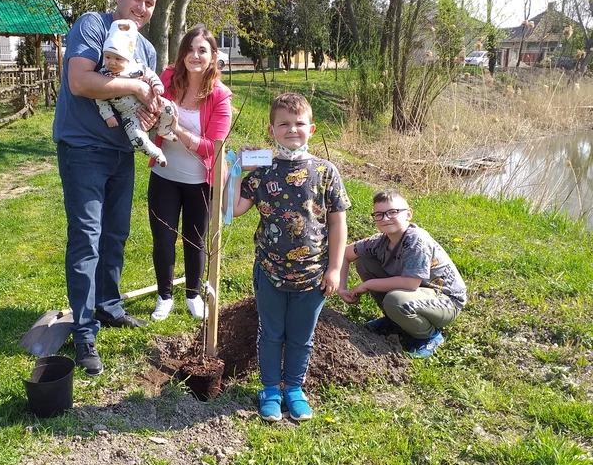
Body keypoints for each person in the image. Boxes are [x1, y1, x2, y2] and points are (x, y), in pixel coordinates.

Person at [53, 0, 160, 376]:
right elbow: (80, 82)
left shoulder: (146, 49)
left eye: (149, 3)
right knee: (87, 238)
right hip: (82, 147)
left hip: (121, 152)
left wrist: (148, 115)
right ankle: (84, 332)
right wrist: (134, 90)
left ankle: (109, 307)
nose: (142, 7)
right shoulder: (93, 26)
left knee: (116, 234)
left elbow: (141, 103)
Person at [227, 93, 350, 422]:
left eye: (298, 124)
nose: (292, 130)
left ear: (311, 128)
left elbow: (338, 222)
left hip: (313, 275)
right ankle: (270, 389)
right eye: (284, 124)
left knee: (301, 337)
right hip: (270, 271)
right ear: (271, 130)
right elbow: (234, 210)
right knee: (271, 333)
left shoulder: (326, 171)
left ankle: (294, 388)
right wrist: (236, 169)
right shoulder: (263, 169)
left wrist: (335, 269)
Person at [148, 26, 232, 321]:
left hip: (200, 181)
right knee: (163, 237)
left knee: (195, 240)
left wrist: (178, 130)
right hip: (165, 176)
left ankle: (193, 294)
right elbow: (150, 107)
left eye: (202, 51)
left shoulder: (220, 96)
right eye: (190, 49)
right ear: (182, 53)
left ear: (212, 57)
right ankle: (164, 296)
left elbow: (212, 148)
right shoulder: (169, 79)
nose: (195, 56)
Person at [338, 189, 466, 359]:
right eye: (379, 214)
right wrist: (341, 288)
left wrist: (367, 285)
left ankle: (430, 335)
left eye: (392, 212)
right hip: (416, 294)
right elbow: (345, 254)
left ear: (408, 214)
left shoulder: (416, 240)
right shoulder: (379, 241)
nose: (385, 218)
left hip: (446, 301)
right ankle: (395, 319)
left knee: (396, 300)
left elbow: (410, 284)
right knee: (364, 261)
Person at [95, 19, 177, 167]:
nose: (112, 62)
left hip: (147, 104)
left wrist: (156, 85)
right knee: (137, 138)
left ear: (127, 58)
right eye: (108, 57)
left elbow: (150, 75)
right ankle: (157, 154)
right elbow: (100, 99)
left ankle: (164, 129)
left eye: (118, 59)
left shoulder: (136, 67)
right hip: (128, 115)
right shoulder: (104, 76)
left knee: (168, 108)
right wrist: (108, 116)